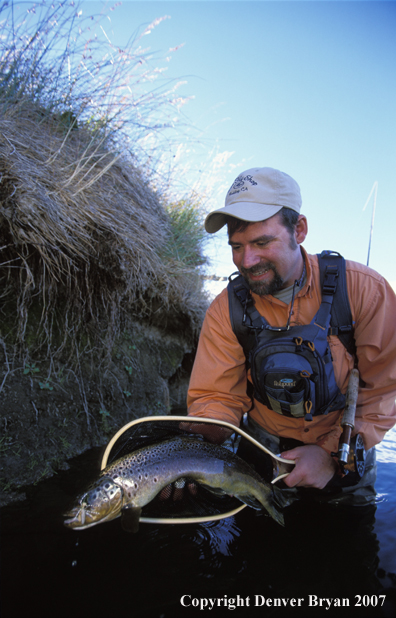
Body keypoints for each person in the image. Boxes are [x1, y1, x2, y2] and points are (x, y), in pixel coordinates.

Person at [187, 167, 396, 506]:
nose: (246, 260)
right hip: (261, 450)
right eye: (236, 246)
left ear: (299, 230)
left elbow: (385, 390)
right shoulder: (224, 310)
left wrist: (329, 456)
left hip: (345, 448)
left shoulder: (365, 292)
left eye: (261, 242)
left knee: (351, 548)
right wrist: (193, 451)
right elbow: (216, 398)